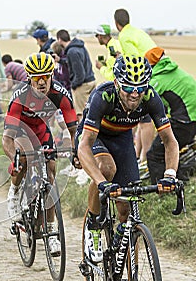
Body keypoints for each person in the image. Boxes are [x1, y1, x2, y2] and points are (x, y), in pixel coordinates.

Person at [77, 55, 179, 264]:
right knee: (106, 168)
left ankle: (130, 274)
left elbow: (170, 141)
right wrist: (102, 183)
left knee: (128, 208)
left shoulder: (151, 97)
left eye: (140, 88)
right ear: (117, 83)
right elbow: (84, 145)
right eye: (128, 87)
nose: (135, 93)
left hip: (122, 138)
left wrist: (170, 175)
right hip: (95, 136)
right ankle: (94, 226)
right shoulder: (103, 96)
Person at [2, 53, 78, 254]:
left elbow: (73, 129)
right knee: (25, 156)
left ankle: (51, 232)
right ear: (29, 78)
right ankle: (15, 193)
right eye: (36, 78)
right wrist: (14, 158)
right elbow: (6, 138)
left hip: (42, 131)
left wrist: (75, 151)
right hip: (21, 130)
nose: (42, 82)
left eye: (46, 76)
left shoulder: (60, 94)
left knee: (51, 174)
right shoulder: (20, 96)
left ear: (52, 74)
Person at [145, 47, 196, 182]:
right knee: (173, 150)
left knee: (155, 155)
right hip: (191, 120)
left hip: (184, 122)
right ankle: (180, 180)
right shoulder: (175, 71)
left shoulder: (158, 80)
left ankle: (162, 189)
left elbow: (144, 102)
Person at [114, 8, 157, 162]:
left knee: (145, 120)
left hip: (146, 75)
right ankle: (138, 155)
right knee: (140, 119)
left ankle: (146, 158)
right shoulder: (136, 31)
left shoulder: (124, 36)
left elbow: (134, 61)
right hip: (154, 69)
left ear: (116, 23)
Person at [56, 29, 96, 121]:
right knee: (92, 113)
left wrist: (73, 86)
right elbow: (76, 63)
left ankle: (82, 135)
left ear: (59, 39)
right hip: (91, 81)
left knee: (82, 115)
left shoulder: (72, 52)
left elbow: (79, 74)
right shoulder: (80, 47)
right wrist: (60, 60)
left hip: (82, 86)